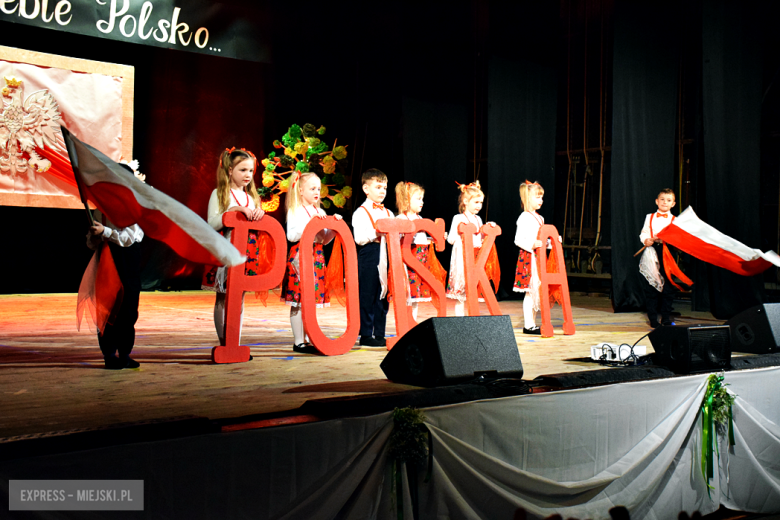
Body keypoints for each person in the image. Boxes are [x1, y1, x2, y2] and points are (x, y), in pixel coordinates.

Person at [86, 163, 145, 369]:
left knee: (128, 308)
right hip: (107, 262)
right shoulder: (100, 209)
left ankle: (125, 353)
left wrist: (105, 232)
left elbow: (129, 238)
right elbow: (91, 243)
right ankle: (109, 355)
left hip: (127, 261)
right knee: (107, 308)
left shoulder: (132, 207)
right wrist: (95, 237)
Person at [205, 148, 265, 345]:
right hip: (226, 250)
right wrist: (232, 211)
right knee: (223, 296)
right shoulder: (219, 193)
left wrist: (260, 216)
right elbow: (211, 224)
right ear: (230, 170)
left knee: (239, 296)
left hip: (247, 251)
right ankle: (224, 341)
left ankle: (234, 342)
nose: (248, 175)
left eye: (251, 171)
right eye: (243, 170)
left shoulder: (252, 197)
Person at [281, 172, 340, 353]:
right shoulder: (295, 210)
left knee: (311, 300)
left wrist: (334, 228)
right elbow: (291, 235)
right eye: (312, 188)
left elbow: (324, 239)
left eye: (319, 189)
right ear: (300, 190)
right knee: (298, 300)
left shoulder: (320, 212)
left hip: (317, 257)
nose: (317, 192)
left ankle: (309, 338)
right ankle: (299, 341)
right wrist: (311, 224)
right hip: (300, 257)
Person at [393, 181, 446, 322]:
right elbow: (396, 239)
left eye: (422, 199)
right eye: (418, 199)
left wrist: (434, 238)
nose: (421, 202)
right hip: (408, 259)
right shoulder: (401, 219)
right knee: (407, 293)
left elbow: (422, 238)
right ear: (406, 200)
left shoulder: (420, 219)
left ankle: (413, 321)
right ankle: (405, 323)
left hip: (422, 260)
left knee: (415, 295)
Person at [352, 168, 393, 346]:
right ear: (366, 189)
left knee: (383, 294)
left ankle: (380, 333)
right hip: (370, 252)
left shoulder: (389, 213)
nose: (382, 191)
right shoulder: (360, 212)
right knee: (368, 293)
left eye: (384, 188)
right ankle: (366, 334)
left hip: (386, 252)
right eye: (378, 187)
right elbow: (359, 238)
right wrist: (376, 232)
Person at [446, 180, 499, 317]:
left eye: (481, 202)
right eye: (476, 202)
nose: (479, 206)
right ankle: (460, 319)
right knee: (462, 290)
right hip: (462, 256)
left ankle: (472, 317)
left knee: (473, 288)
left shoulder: (478, 219)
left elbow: (481, 237)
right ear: (465, 201)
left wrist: (489, 228)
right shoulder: (458, 218)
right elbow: (451, 239)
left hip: (476, 256)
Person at [513, 180, 557, 334]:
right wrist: (532, 244)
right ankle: (528, 325)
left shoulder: (540, 218)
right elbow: (518, 240)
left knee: (538, 291)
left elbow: (542, 240)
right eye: (537, 197)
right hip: (529, 258)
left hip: (539, 258)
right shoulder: (524, 217)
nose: (541, 200)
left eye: (541, 197)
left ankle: (533, 323)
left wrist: (553, 242)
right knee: (530, 291)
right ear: (528, 198)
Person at [639, 188, 681, 328]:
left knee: (668, 285)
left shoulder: (675, 220)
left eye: (668, 200)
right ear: (657, 201)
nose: (665, 202)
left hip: (667, 252)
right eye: (662, 199)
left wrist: (668, 239)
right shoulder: (649, 217)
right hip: (652, 252)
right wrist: (646, 240)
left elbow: (678, 238)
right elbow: (644, 233)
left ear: (673, 204)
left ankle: (666, 318)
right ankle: (653, 318)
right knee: (652, 285)